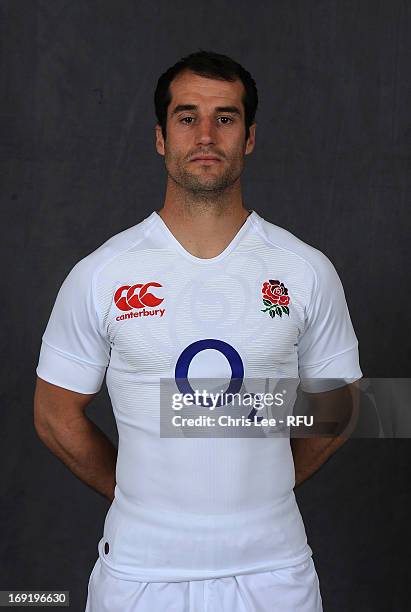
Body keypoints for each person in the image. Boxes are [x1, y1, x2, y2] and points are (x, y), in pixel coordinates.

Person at [34, 50, 362, 612]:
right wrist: (142, 499)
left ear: (249, 136)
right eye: (187, 117)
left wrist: (264, 489)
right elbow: (53, 415)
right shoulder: (103, 273)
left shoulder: (303, 270)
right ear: (161, 137)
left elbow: (339, 409)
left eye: (225, 118)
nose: (206, 134)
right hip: (139, 571)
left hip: (272, 571)